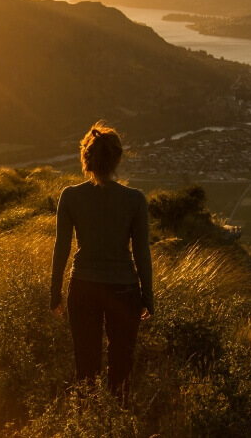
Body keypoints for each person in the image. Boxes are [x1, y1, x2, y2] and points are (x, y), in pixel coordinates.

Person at [50, 121, 153, 402]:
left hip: (83, 287)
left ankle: (87, 422)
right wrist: (148, 297)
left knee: (86, 365)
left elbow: (62, 247)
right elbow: (142, 251)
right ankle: (115, 422)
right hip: (124, 290)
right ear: (117, 158)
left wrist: (54, 292)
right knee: (121, 366)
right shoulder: (135, 199)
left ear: (86, 158)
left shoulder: (70, 196)